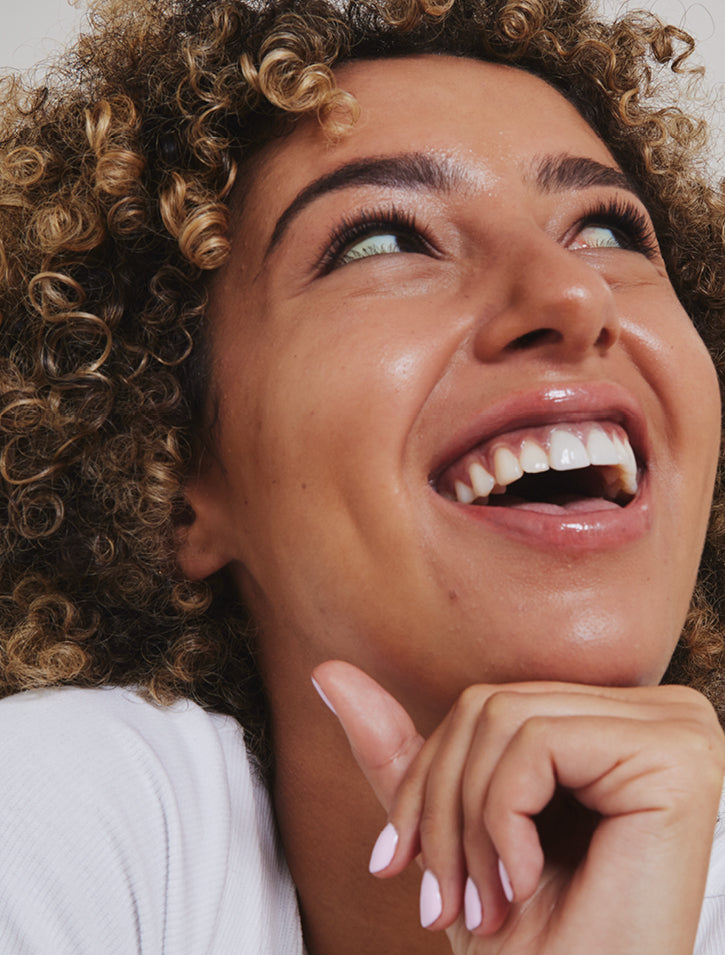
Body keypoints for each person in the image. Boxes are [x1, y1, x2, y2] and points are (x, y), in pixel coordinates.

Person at [0, 0, 724, 952]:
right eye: (383, 240)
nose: (570, 291)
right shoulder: (63, 818)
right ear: (172, 473)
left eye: (608, 232)